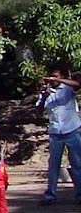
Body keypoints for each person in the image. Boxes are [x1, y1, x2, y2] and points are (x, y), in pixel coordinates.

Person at [36, 66, 81, 205]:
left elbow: (77, 85)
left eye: (56, 76)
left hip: (72, 130)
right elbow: (38, 110)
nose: (53, 79)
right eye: (52, 76)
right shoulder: (47, 92)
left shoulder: (67, 88)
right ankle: (50, 195)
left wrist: (60, 80)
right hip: (55, 133)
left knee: (77, 165)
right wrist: (43, 97)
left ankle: (79, 195)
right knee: (53, 166)